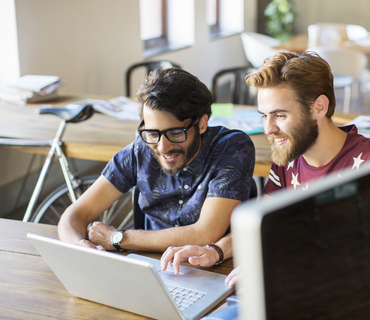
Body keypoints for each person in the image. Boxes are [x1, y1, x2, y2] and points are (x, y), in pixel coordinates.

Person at [160, 51, 370, 286]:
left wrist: (278, 267)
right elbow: (267, 226)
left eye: (280, 115)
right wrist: (216, 251)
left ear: (319, 107)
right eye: (264, 115)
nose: (269, 129)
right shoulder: (288, 155)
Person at [58, 68, 255, 252]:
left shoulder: (232, 148)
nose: (163, 147)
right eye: (153, 133)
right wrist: (80, 247)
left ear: (202, 124)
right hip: (151, 265)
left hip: (216, 268)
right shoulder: (139, 150)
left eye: (176, 133)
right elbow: (75, 214)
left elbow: (205, 234)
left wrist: (119, 238)